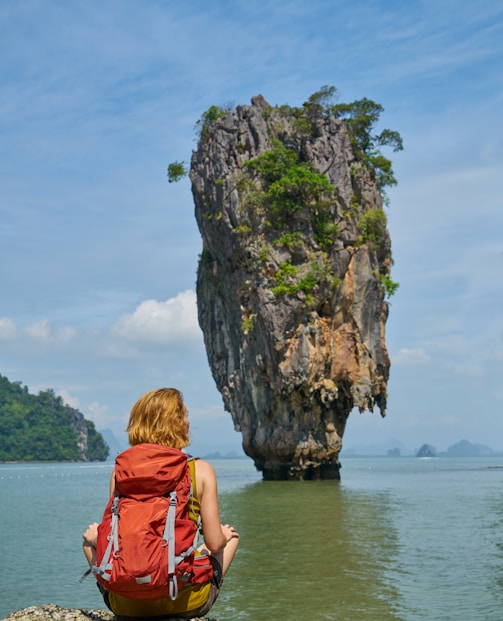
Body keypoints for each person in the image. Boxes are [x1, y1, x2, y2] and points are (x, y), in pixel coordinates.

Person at [82, 388, 239, 619]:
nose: (188, 421)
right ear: (176, 423)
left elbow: (112, 537)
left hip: (125, 606)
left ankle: (126, 595)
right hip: (183, 602)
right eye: (185, 415)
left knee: (89, 540)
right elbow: (215, 545)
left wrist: (95, 537)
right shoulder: (200, 470)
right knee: (230, 539)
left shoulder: (120, 472)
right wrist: (223, 535)